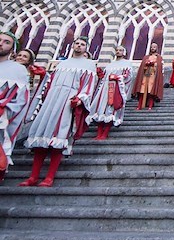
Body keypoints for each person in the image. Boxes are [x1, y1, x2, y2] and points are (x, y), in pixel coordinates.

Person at [19, 37, 97, 187]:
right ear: (72, 45)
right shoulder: (62, 64)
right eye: (77, 43)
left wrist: (80, 98)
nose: (79, 46)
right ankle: (33, 177)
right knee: (41, 136)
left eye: (82, 45)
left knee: (59, 137)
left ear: (86, 48)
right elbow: (50, 82)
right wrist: (43, 75)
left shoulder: (88, 65)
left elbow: (88, 86)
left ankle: (49, 177)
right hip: (51, 101)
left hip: (67, 102)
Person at [86, 45, 133, 140]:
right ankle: (99, 132)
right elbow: (104, 77)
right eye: (117, 50)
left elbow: (128, 76)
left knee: (110, 110)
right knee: (100, 109)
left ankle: (105, 132)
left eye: (120, 50)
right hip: (104, 89)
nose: (118, 52)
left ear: (124, 52)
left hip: (116, 89)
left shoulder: (127, 64)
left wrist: (118, 78)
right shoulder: (110, 64)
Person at [0, 31, 30, 182]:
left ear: (13, 49)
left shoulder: (17, 70)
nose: (1, 43)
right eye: (0, 40)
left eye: (6, 42)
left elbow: (21, 100)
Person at [132, 42, 164, 110]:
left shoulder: (158, 57)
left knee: (151, 89)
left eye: (154, 47)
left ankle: (150, 105)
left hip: (153, 75)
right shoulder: (146, 57)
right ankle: (140, 105)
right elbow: (142, 66)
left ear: (157, 48)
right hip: (145, 75)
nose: (153, 48)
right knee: (142, 89)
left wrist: (153, 64)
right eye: (152, 47)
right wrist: (146, 65)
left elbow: (159, 67)